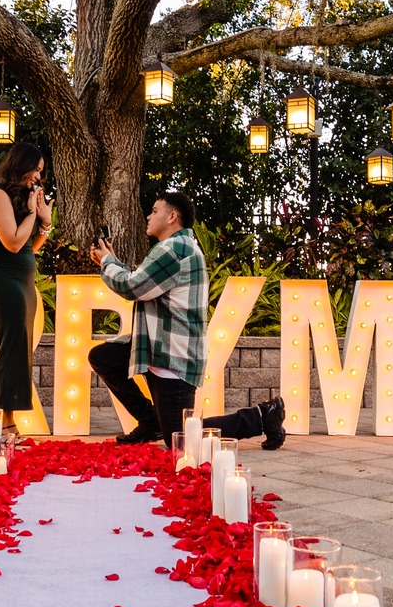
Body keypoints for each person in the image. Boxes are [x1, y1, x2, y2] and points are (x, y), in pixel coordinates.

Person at [88, 192, 286, 449]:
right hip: (156, 348)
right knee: (104, 357)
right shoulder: (175, 248)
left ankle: (261, 417)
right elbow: (143, 281)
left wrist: (107, 262)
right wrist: (112, 262)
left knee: (179, 439)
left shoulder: (174, 249)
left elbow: (132, 287)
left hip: (173, 356)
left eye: (155, 211)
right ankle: (150, 422)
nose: (149, 216)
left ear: (172, 217)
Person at [0, 142, 51, 421]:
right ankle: (0, 421)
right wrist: (33, 213)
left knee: (20, 349)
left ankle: (7, 419)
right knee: (8, 349)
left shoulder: (20, 198)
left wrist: (44, 222)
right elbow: (11, 243)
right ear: (21, 165)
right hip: (2, 280)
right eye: (35, 169)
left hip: (23, 282)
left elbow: (28, 247)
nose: (38, 177)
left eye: (41, 172)